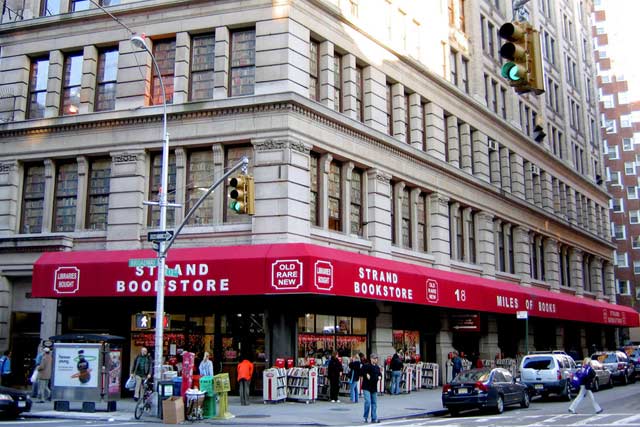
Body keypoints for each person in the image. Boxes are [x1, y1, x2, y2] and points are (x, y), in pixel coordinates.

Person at [361, 353, 382, 423]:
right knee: (368, 402)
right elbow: (361, 371)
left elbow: (379, 374)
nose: (376, 360)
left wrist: (380, 377)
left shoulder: (377, 367)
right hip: (366, 386)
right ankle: (365, 416)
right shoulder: (366, 366)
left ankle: (374, 417)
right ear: (371, 359)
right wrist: (366, 374)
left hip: (373, 387)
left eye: (376, 358)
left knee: (374, 403)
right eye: (374, 358)